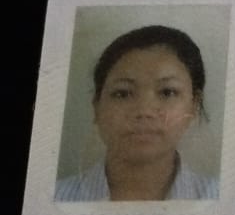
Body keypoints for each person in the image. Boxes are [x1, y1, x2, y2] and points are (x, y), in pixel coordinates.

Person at [55, 25, 219, 201]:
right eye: (123, 93)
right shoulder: (55, 198)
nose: (144, 111)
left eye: (167, 92)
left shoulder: (220, 198)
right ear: (96, 106)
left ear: (194, 106)